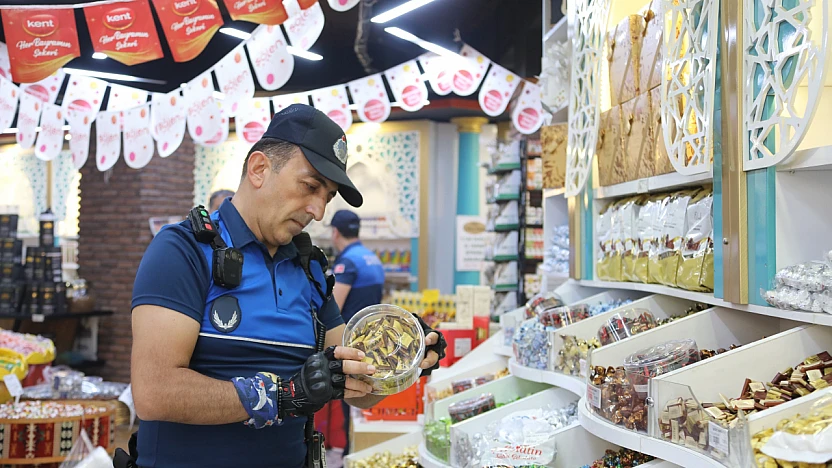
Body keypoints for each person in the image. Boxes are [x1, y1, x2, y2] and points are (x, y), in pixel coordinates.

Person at [129, 104, 445, 468]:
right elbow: (154, 392)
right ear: (260, 169)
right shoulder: (182, 250)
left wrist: (407, 358)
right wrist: (284, 395)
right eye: (310, 187)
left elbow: (359, 387)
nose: (318, 211)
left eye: (326, 197)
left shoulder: (309, 270)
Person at [328, 210, 386, 455]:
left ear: (335, 232)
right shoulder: (371, 258)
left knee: (350, 401)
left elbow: (332, 307)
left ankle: (350, 454)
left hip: (351, 345)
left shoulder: (347, 263)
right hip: (375, 342)